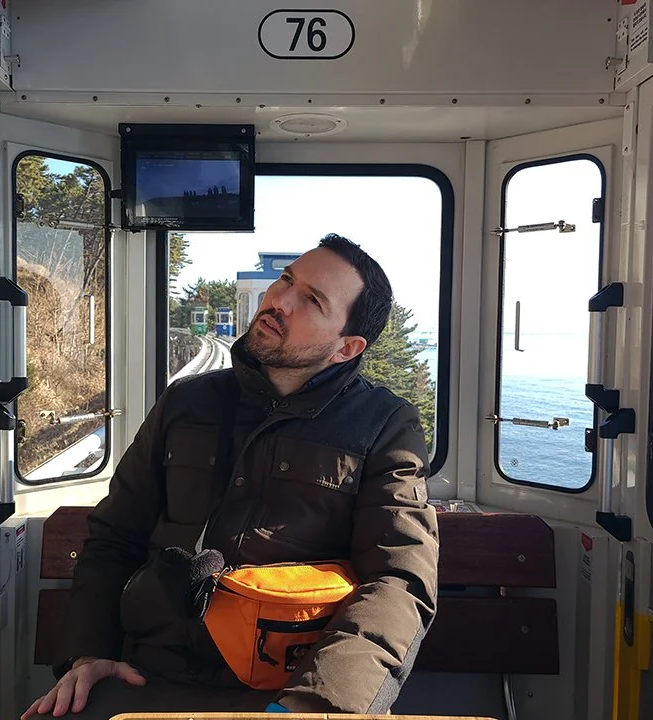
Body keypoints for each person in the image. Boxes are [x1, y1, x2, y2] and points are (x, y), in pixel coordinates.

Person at [22, 234, 439, 719]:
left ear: (346, 347)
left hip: (289, 686)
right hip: (148, 673)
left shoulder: (384, 426)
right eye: (286, 280)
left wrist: (316, 706)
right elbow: (116, 533)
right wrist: (89, 653)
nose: (280, 300)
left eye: (311, 300)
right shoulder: (186, 403)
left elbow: (398, 578)